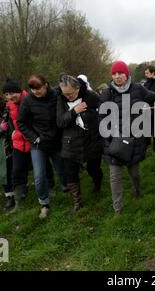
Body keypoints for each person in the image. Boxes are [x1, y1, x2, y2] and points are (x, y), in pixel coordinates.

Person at [99, 60, 155, 215]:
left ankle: (137, 191)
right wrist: (110, 139)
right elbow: (102, 119)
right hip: (114, 142)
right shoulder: (107, 94)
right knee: (115, 177)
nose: (117, 76)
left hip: (133, 140)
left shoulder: (138, 89)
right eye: (114, 73)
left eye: (120, 73)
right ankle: (118, 209)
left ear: (126, 74)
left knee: (134, 173)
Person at [17, 74, 68, 219]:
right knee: (39, 175)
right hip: (38, 144)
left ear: (46, 84)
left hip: (56, 141)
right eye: (32, 89)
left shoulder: (56, 94)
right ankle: (44, 203)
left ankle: (68, 189)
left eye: (38, 88)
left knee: (62, 169)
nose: (35, 91)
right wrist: (34, 137)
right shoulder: (27, 101)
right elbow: (21, 123)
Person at [57, 73, 104, 214]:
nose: (68, 97)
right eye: (65, 94)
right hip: (70, 143)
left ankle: (97, 183)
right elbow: (60, 122)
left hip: (91, 141)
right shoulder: (61, 99)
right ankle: (77, 202)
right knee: (71, 173)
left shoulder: (90, 96)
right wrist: (73, 112)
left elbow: (105, 110)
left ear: (78, 88)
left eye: (70, 94)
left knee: (93, 169)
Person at [2, 78, 31, 213]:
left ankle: (50, 190)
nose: (9, 97)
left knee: (41, 169)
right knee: (16, 170)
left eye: (12, 93)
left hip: (33, 139)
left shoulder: (30, 99)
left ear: (19, 91)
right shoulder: (9, 105)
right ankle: (18, 201)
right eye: (6, 94)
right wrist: (12, 132)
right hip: (18, 141)